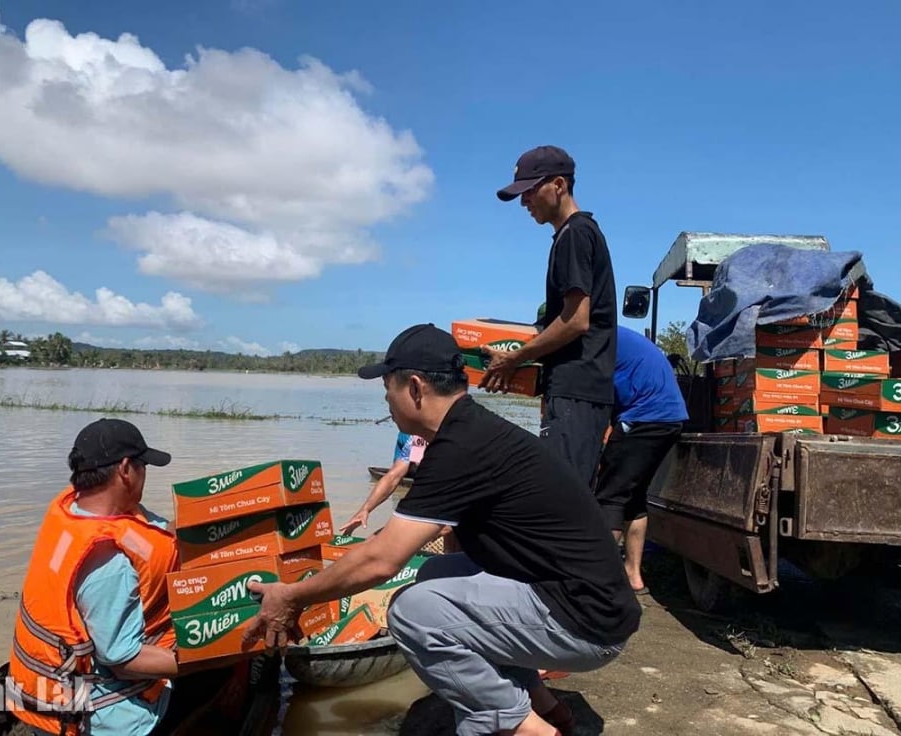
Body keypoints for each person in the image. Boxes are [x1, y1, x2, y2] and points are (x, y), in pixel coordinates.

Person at [246, 324, 640, 736]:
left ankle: (523, 727)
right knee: (435, 573)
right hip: (592, 605)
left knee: (413, 612)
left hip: (587, 625)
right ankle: (544, 705)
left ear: (414, 388)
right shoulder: (471, 429)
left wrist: (291, 597)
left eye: (387, 390)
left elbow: (382, 561)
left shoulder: (460, 447)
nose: (386, 401)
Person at [6, 418, 183, 736]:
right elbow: (124, 660)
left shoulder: (72, 511)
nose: (145, 475)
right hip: (108, 721)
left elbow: (150, 530)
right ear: (126, 469)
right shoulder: (109, 562)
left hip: (43, 699)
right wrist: (203, 659)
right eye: (144, 466)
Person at [481, 145, 618, 495]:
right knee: (566, 493)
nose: (525, 201)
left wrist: (516, 357)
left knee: (564, 497)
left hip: (578, 389)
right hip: (573, 390)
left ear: (559, 184)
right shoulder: (570, 235)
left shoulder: (575, 233)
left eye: (530, 191)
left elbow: (576, 321)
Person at [594, 327, 688, 594]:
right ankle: (632, 575)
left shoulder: (594, 337)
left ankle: (598, 580)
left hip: (644, 418)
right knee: (634, 497)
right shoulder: (619, 336)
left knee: (610, 496)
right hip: (670, 419)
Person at [338, 430, 427, 536]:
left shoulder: (449, 433)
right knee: (373, 541)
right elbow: (393, 477)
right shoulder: (419, 438)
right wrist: (365, 509)